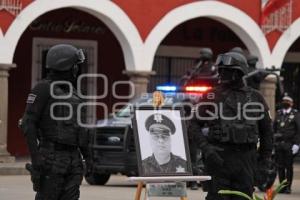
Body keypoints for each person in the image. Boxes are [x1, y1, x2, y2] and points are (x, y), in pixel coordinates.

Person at [189, 51, 273, 200]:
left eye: (226, 71)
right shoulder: (211, 96)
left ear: (238, 72)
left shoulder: (255, 97)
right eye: (220, 70)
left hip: (246, 160)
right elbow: (194, 125)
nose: (222, 74)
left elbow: (267, 132)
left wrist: (264, 163)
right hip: (219, 159)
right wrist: (207, 149)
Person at [20, 44, 90, 200]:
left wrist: (88, 157)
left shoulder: (76, 94)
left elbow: (81, 129)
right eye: (75, 65)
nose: (76, 69)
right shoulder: (43, 89)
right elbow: (28, 123)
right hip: (51, 159)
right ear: (66, 66)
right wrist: (36, 158)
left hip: (73, 160)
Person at [273, 95, 300, 194]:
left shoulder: (296, 114)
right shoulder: (279, 113)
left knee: (288, 167)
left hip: (290, 144)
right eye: (284, 101)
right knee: (280, 167)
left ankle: (288, 187)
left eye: (287, 101)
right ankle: (282, 187)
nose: (285, 102)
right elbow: (273, 128)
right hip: (279, 144)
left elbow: (298, 130)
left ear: (291, 103)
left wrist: (297, 144)